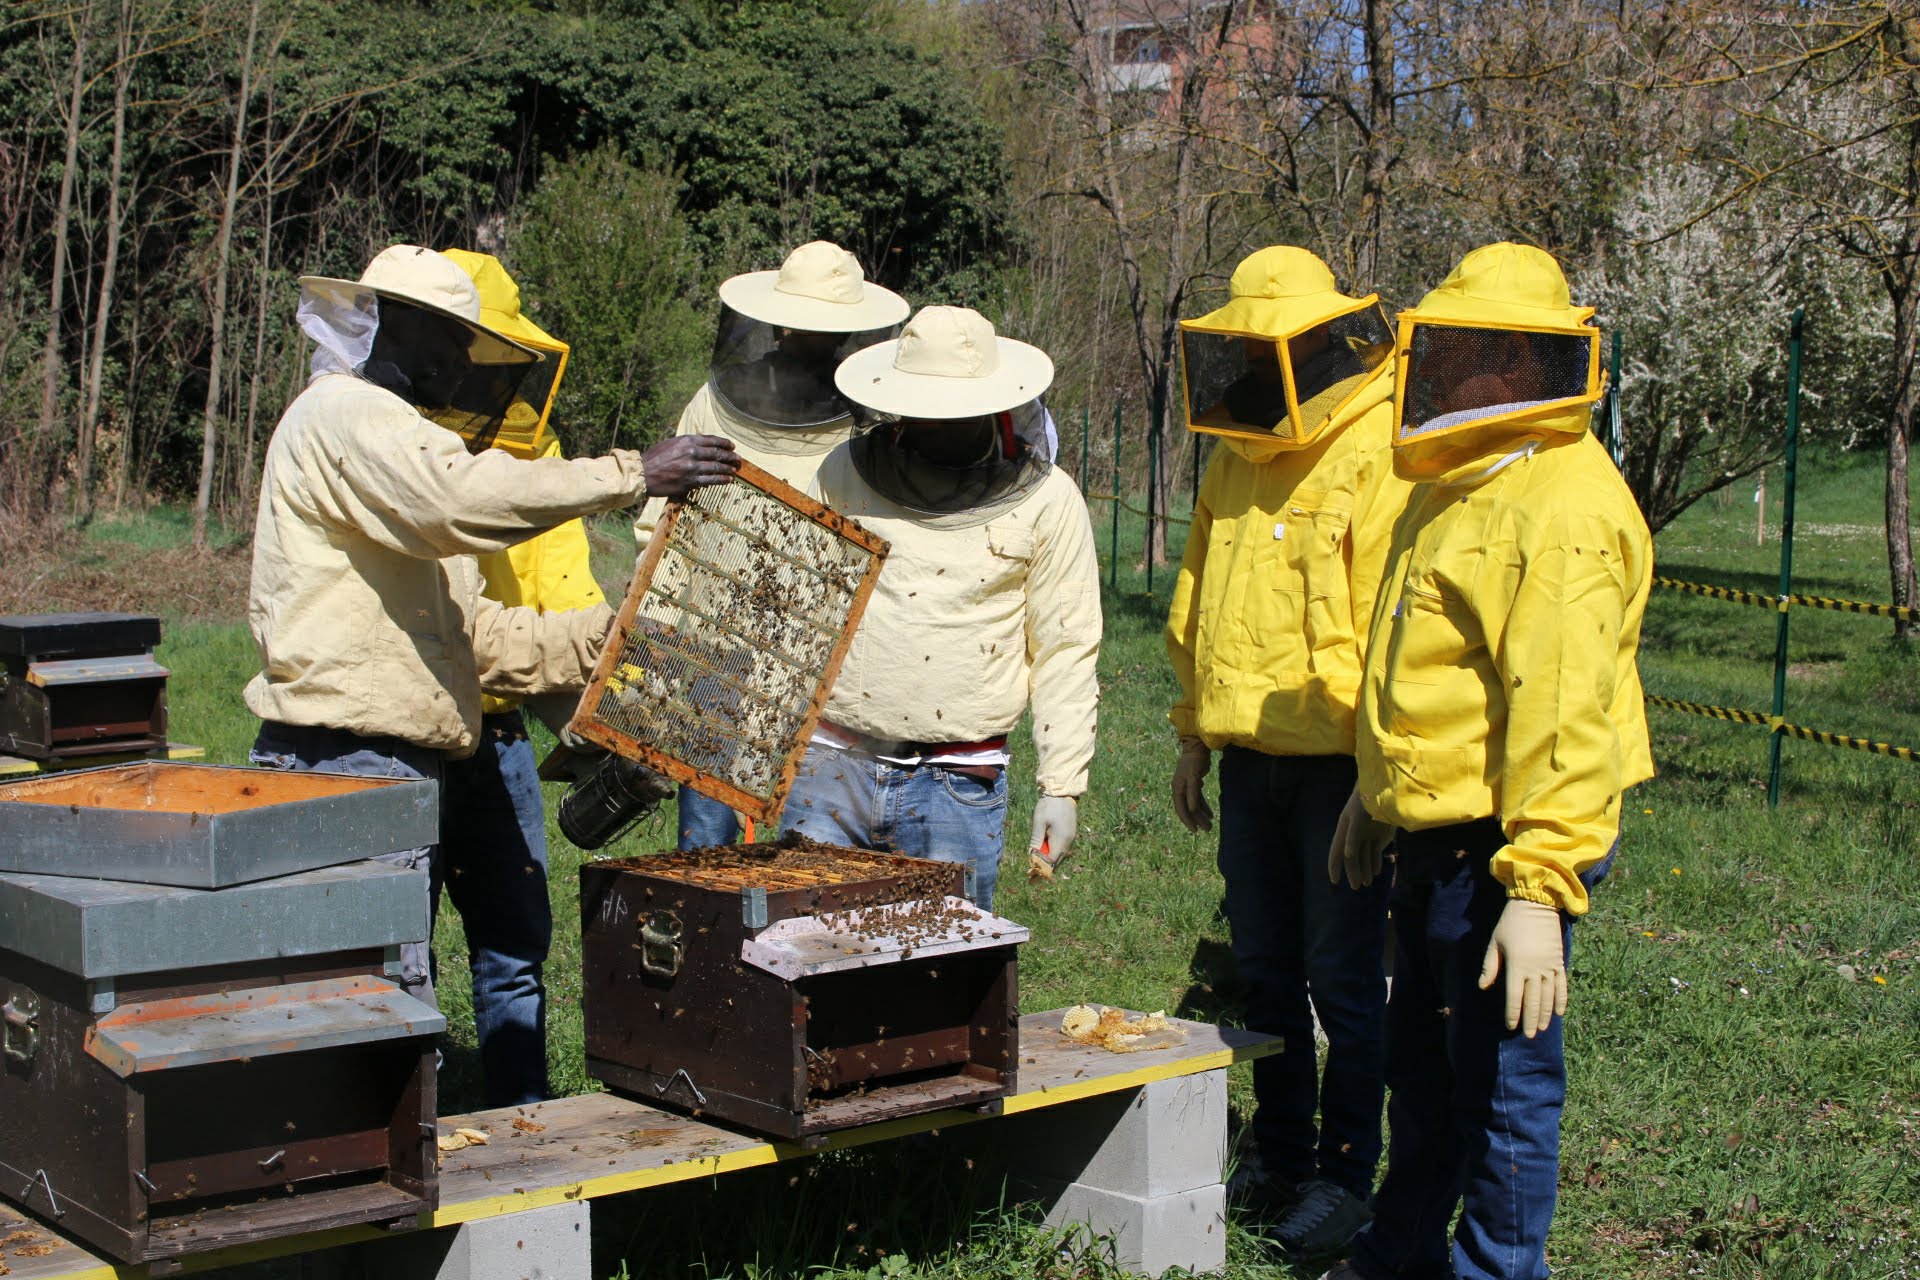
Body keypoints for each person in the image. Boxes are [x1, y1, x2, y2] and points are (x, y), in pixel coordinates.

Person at [244, 244, 739, 1026]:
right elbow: (455, 497)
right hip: (342, 758)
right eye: (450, 342)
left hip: (399, 755)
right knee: (368, 998)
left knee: (387, 991)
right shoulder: (346, 413)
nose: (461, 365)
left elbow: (475, 639)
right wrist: (630, 473)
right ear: (397, 328)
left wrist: (620, 636)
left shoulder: (392, 446)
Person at [1321, 242, 1654, 1280]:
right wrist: (1383, 793)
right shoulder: (1465, 475)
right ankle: (1402, 1254)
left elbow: (1562, 715)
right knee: (1422, 1076)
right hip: (1441, 835)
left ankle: (1497, 1269)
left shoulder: (1559, 510)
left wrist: (1542, 886)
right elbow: (1425, 668)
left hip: (1507, 849)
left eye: (1480, 353)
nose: (1458, 371)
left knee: (1502, 1090)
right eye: (1452, 348)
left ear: (1526, 367)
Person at [1163, 246, 1410, 1254]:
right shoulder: (1232, 456)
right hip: (1250, 758)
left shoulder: (1376, 451)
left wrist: (1380, 778)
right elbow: (1196, 605)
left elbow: (1397, 626)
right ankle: (1283, 1148)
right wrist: (1189, 734)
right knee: (1265, 970)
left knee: (1344, 977)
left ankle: (1349, 1173)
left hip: (1340, 770)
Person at [779, 305, 1101, 911]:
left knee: (944, 986)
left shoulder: (1050, 502)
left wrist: (1062, 786)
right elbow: (799, 609)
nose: (931, 423)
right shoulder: (841, 473)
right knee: (809, 968)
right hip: (830, 765)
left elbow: (1065, 646)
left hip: (957, 781)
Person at [387, 247, 600, 1107]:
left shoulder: (532, 444)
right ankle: (411, 1130)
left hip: (501, 730)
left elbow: (562, 587)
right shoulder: (384, 435)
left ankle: (525, 1123)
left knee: (514, 946)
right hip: (403, 730)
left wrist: (594, 721)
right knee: (399, 954)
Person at [632, 240, 908, 851]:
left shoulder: (871, 419)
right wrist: (657, 627)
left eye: (824, 329)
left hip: (822, 655)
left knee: (813, 850)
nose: (810, 338)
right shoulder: (714, 403)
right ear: (778, 320)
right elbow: (666, 521)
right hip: (719, 642)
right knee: (708, 844)